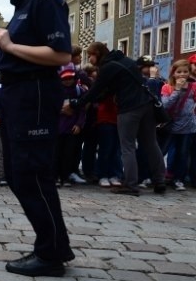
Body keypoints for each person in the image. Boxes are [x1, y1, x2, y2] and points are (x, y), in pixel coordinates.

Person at [0, 0, 74, 277]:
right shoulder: (24, 4)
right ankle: (52, 247)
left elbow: (61, 54)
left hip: (34, 93)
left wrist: (8, 44)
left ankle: (51, 254)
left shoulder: (44, 0)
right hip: (19, 93)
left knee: (31, 174)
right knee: (22, 175)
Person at [65, 42, 166, 196]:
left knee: (127, 146)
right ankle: (160, 181)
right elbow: (108, 91)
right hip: (147, 106)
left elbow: (95, 91)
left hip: (129, 108)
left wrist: (76, 103)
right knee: (151, 144)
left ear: (97, 54)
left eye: (90, 55)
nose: (89, 59)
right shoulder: (127, 61)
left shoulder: (107, 67)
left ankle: (131, 185)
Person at [160, 59, 196, 191]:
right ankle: (157, 176)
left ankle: (178, 179)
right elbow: (166, 105)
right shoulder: (166, 87)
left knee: (183, 154)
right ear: (173, 73)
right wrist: (177, 90)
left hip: (187, 127)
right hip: (170, 125)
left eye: (185, 72)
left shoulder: (193, 87)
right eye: (179, 72)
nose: (182, 75)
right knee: (162, 151)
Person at [56, 64, 87, 187]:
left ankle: (66, 176)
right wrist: (61, 110)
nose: (68, 81)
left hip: (71, 128)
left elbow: (82, 110)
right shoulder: (56, 91)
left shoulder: (79, 91)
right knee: (56, 154)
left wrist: (79, 124)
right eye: (65, 79)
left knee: (68, 154)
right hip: (58, 128)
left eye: (70, 78)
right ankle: (56, 176)